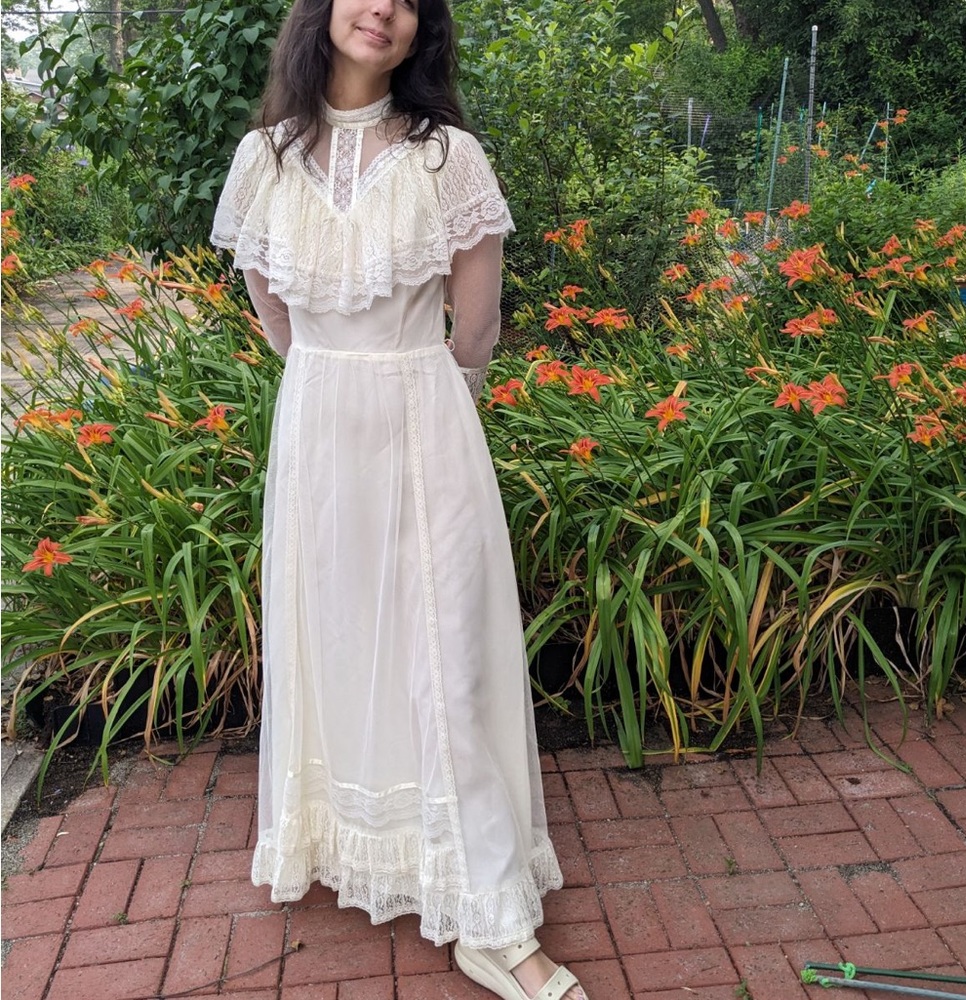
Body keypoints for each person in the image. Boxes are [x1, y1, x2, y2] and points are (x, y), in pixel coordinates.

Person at [211, 2, 588, 999]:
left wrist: (410, 393)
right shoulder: (263, 161)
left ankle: (491, 920)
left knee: (444, 654)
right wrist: (337, 379)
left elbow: (477, 329)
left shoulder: (446, 159)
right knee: (335, 638)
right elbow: (273, 314)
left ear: (423, 31)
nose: (382, 7)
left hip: (425, 422)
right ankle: (358, 841)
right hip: (318, 431)